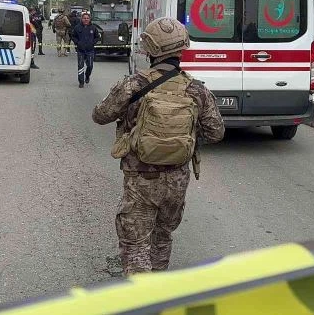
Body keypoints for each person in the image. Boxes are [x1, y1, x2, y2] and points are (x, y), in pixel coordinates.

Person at [92, 18, 225, 276]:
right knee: (162, 236)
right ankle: (159, 290)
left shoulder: (133, 85)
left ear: (150, 49)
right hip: (177, 179)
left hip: (141, 177)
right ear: (181, 49)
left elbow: (100, 115)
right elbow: (216, 132)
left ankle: (143, 298)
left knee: (135, 245)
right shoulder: (196, 90)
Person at [71, 12, 101, 88]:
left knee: (90, 66)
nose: (86, 19)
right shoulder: (77, 27)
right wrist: (77, 42)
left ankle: (87, 76)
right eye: (84, 18)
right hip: (80, 50)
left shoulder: (93, 28)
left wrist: (92, 43)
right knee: (80, 66)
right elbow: (73, 36)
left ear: (89, 19)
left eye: (87, 18)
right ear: (82, 19)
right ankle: (81, 82)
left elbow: (97, 37)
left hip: (90, 50)